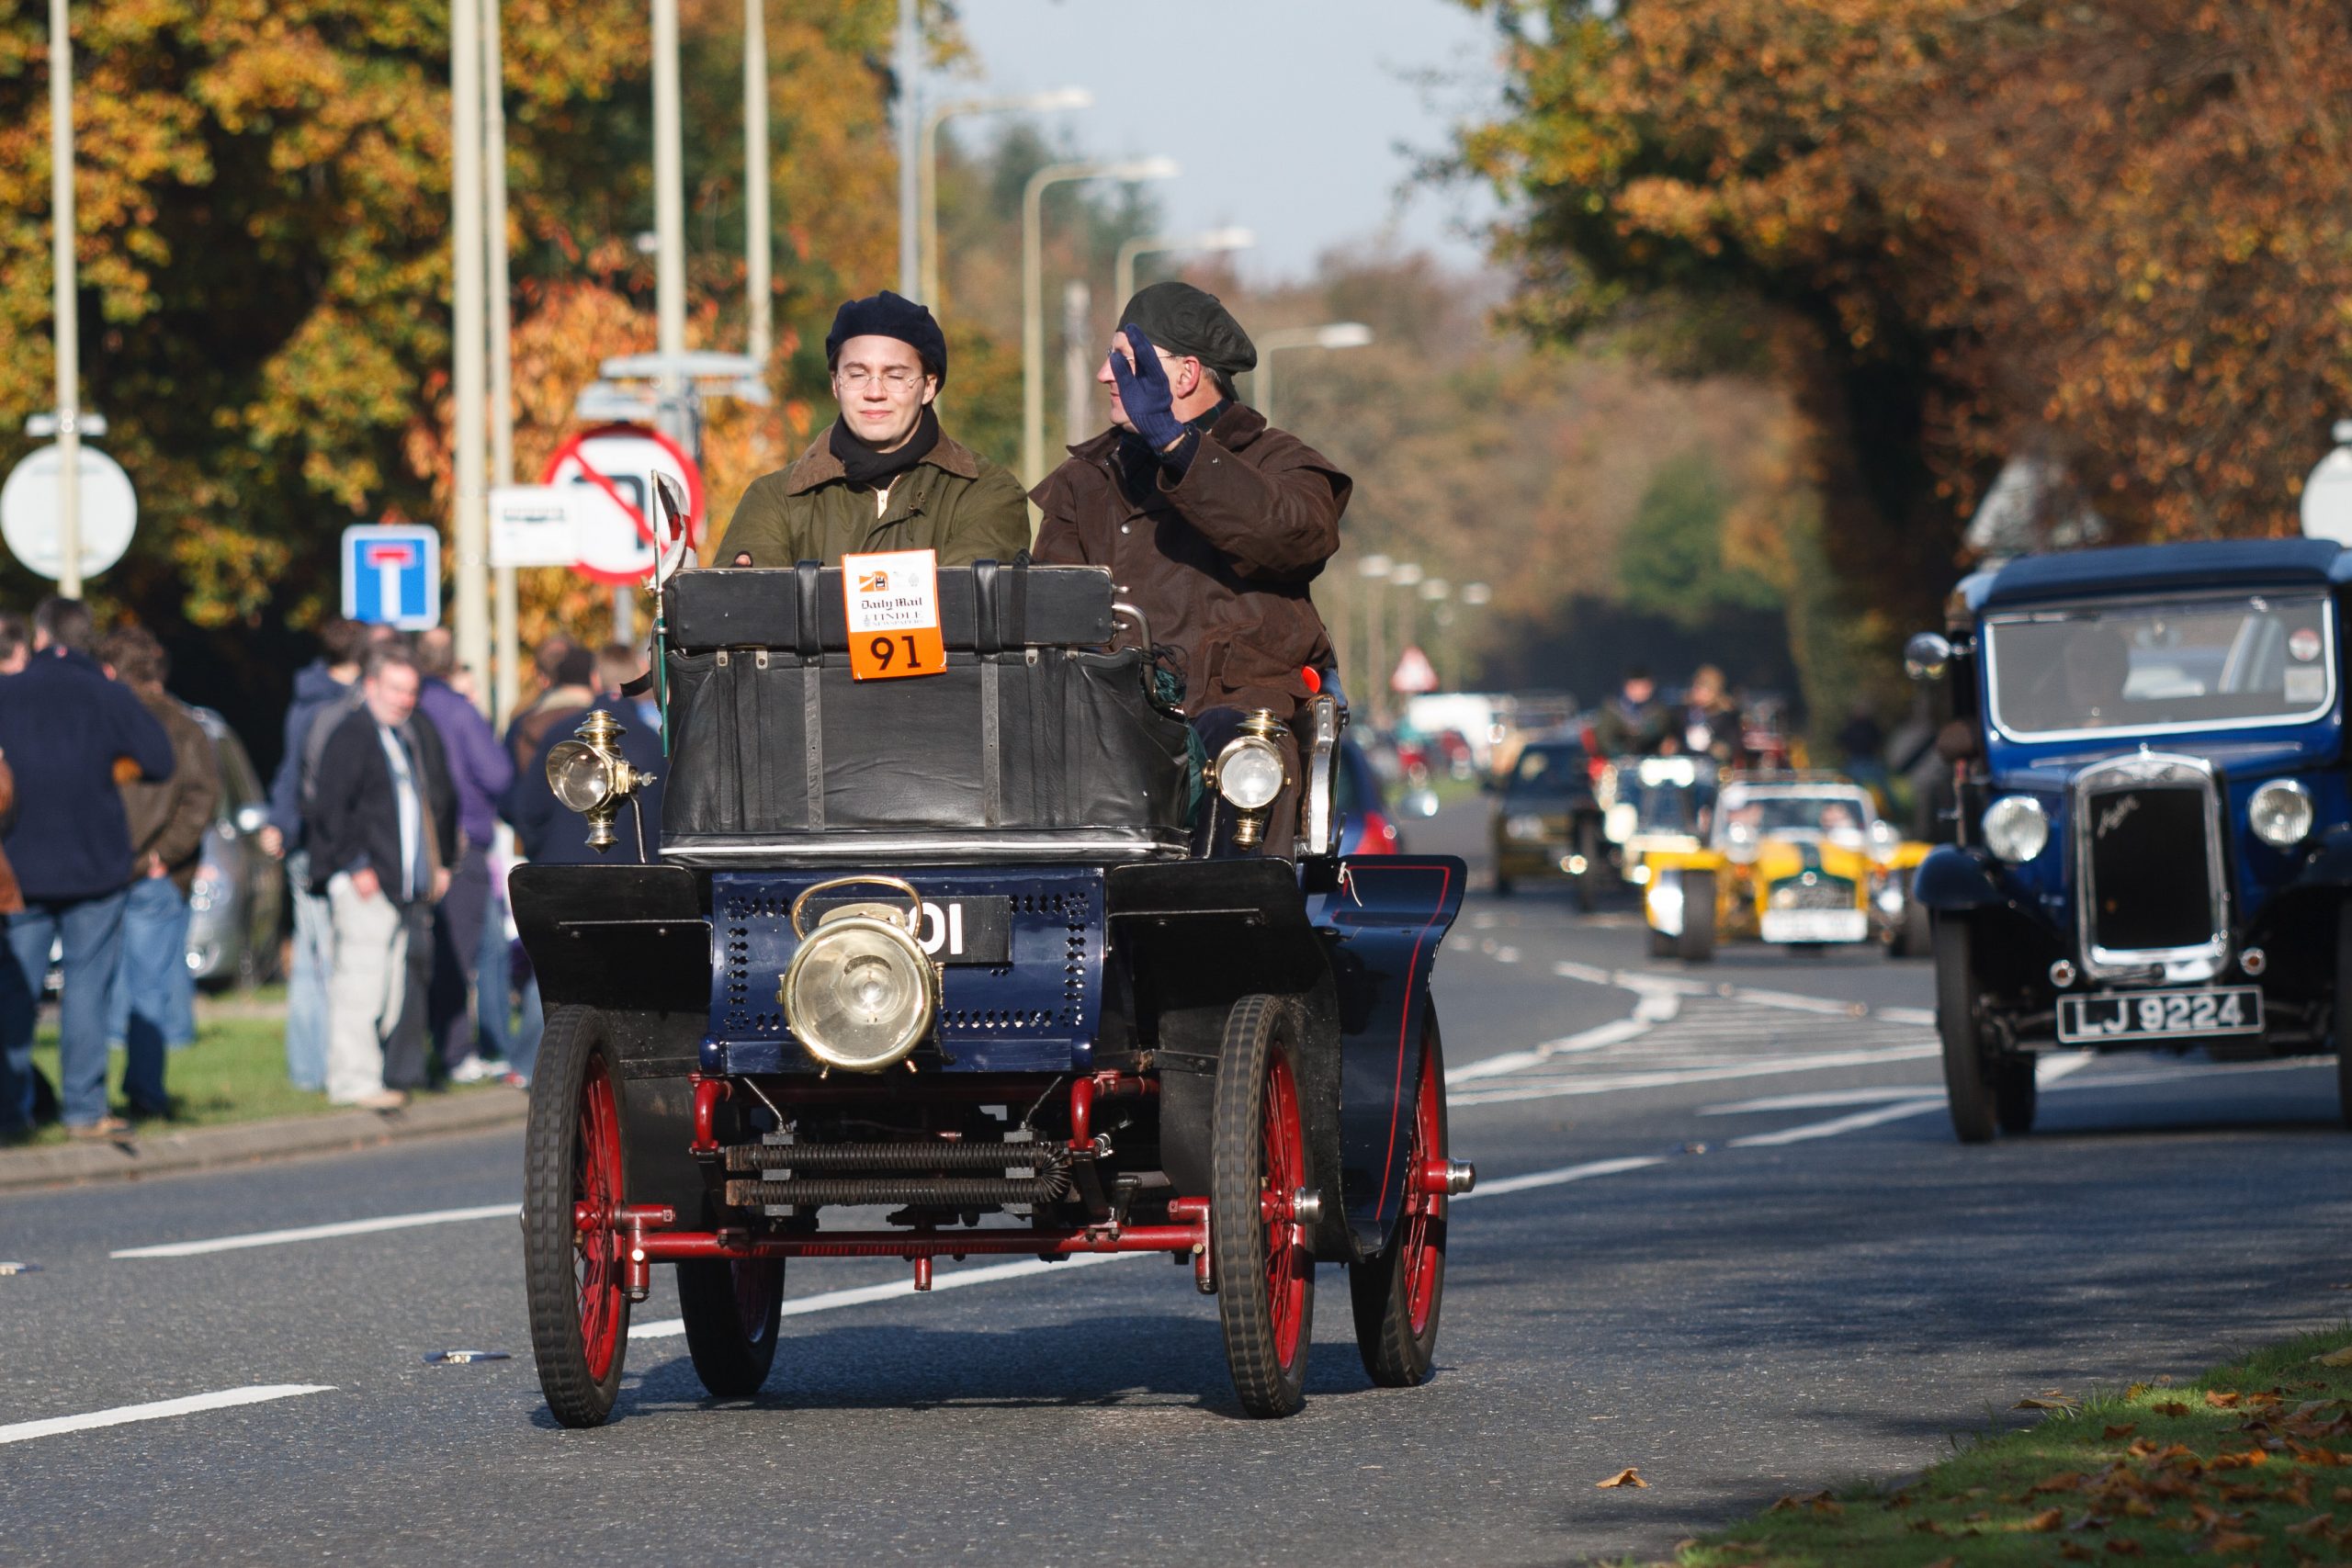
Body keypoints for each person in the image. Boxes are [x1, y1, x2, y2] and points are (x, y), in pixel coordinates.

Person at [1032, 281, 1351, 853]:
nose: (1106, 375)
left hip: (1233, 733)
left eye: (1125, 361)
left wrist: (1179, 450)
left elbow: (1297, 538)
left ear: (1184, 375)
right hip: (1103, 729)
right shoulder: (1086, 480)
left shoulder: (1278, 460)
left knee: (1241, 751)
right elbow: (1047, 613)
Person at [0, 599, 175, 1138]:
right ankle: (84, 1108)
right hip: (95, 865)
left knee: (15, 994)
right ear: (88, 639)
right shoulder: (109, 695)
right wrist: (115, 767)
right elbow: (160, 760)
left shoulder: (8, 691)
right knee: (86, 991)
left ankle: (8, 1115)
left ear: (39, 636)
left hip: (22, 866)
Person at [718, 291, 1030, 570]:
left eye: (895, 376)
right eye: (857, 374)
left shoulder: (986, 493)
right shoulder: (776, 499)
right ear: (836, 384)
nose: (874, 392)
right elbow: (745, 625)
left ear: (928, 386)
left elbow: (958, 613)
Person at [499, 644, 665, 1085]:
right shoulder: (650, 739)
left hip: (562, 874)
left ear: (594, 684)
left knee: (556, 974)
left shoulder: (559, 735)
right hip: (632, 876)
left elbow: (525, 807)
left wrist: (544, 850)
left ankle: (531, 1065)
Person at [307, 646, 456, 1109]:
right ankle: (352, 1080)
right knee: (361, 984)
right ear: (370, 686)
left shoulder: (399, 735)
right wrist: (355, 865)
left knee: (389, 992)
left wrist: (433, 866)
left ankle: (369, 1074)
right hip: (364, 883)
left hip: (397, 886)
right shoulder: (353, 734)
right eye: (394, 689)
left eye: (410, 691)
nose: (403, 699)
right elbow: (329, 807)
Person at [97, 627, 220, 1116]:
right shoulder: (184, 725)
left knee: (94, 986)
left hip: (105, 871)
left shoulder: (100, 719)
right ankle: (145, 1094)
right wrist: (164, 857)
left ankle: (86, 1100)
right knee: (149, 988)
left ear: (110, 670)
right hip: (155, 875)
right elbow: (201, 799)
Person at [263, 615, 369, 1091]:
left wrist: (279, 825)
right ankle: (335, 1064)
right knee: (339, 957)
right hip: (338, 846)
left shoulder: (302, 701)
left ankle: (306, 1069)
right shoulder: (352, 707)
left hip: (303, 843)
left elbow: (289, 771)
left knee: (309, 958)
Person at [414, 626, 514, 1082]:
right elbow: (496, 774)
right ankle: (456, 1053)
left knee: (476, 946)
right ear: (452, 662)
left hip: (415, 841)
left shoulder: (407, 706)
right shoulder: (458, 712)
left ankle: (487, 1046)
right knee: (460, 951)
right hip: (463, 841)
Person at [1592, 667, 1668, 758]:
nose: (1640, 692)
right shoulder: (1612, 708)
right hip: (1616, 760)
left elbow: (1663, 732)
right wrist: (1619, 752)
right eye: (1635, 687)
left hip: (1650, 759)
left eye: (1645, 687)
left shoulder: (1658, 710)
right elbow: (1603, 738)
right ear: (1627, 687)